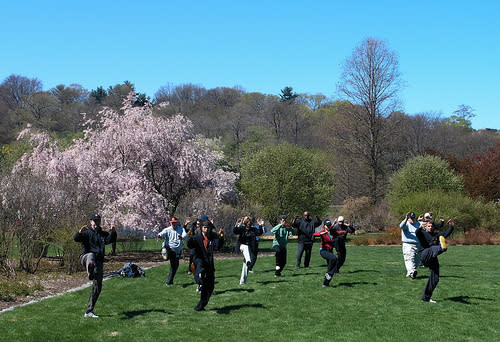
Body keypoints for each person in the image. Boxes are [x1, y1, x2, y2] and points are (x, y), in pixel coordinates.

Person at [73, 214, 117, 318]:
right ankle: (90, 271)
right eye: (95, 221)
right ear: (90, 222)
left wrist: (113, 232)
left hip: (98, 262)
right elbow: (75, 239)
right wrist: (80, 232)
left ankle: (89, 311)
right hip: (85, 258)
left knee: (98, 286)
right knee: (91, 256)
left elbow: (109, 240)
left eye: (98, 221)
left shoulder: (102, 234)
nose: (97, 223)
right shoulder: (86, 232)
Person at [187, 219, 224, 311]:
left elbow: (217, 246)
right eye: (204, 227)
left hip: (209, 263)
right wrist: (190, 238)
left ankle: (201, 305)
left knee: (210, 286)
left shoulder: (213, 236)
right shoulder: (196, 237)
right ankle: (200, 279)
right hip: (199, 260)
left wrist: (221, 238)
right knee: (201, 271)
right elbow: (190, 245)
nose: (206, 230)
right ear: (201, 228)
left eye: (208, 228)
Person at [416, 219, 455, 303]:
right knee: (432, 248)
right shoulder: (423, 233)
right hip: (425, 254)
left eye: (431, 226)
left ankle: (426, 298)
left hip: (433, 257)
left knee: (435, 278)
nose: (430, 228)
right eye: (428, 226)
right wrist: (419, 228)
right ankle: (441, 248)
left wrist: (451, 226)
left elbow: (445, 234)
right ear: (425, 227)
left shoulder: (437, 235)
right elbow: (417, 233)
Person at [158, 217, 188, 286]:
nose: (174, 224)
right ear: (170, 223)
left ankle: (169, 282)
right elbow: (162, 233)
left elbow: (185, 235)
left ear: (177, 222)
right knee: (167, 252)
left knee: (175, 266)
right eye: (172, 223)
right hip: (169, 248)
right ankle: (165, 253)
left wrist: (182, 237)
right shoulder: (167, 229)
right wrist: (159, 235)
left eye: (175, 223)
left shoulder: (181, 229)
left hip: (177, 250)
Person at [233, 216, 263, 285]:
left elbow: (259, 233)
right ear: (245, 222)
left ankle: (242, 282)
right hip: (242, 246)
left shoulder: (253, 229)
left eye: (250, 222)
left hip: (250, 248)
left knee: (245, 265)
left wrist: (260, 225)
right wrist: (237, 225)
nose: (249, 223)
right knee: (246, 248)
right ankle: (248, 261)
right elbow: (235, 231)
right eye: (247, 222)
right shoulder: (242, 228)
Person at [313, 219, 338, 287]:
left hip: (330, 251)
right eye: (327, 225)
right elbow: (315, 234)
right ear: (324, 226)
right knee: (334, 258)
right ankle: (328, 273)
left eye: (329, 225)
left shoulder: (332, 232)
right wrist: (321, 234)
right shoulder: (323, 232)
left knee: (332, 266)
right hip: (323, 251)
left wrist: (343, 232)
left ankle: (325, 283)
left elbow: (337, 232)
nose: (328, 226)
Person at [399, 212, 421, 279]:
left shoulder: (418, 224)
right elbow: (401, 226)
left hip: (417, 245)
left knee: (417, 261)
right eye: (410, 218)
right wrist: (406, 219)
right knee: (409, 259)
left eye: (413, 218)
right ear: (408, 218)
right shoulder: (406, 224)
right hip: (408, 245)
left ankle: (411, 273)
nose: (412, 220)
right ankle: (412, 272)